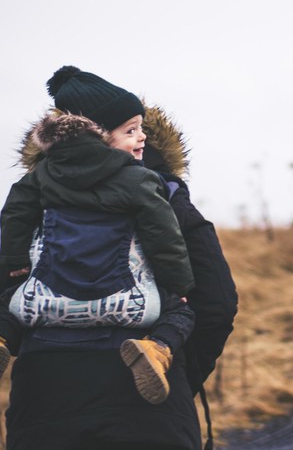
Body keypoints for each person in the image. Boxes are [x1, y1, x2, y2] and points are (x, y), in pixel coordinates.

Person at [0, 67, 238, 450]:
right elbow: (215, 300)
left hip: (46, 398)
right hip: (143, 406)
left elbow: (7, 280)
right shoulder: (166, 194)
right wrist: (174, 371)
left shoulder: (33, 191)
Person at [0, 66, 196, 405]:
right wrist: (177, 284)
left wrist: (14, 262)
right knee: (181, 312)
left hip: (43, 301)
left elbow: (15, 214)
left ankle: (2, 339)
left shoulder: (43, 174)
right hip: (128, 303)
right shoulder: (139, 179)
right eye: (132, 130)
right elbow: (163, 235)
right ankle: (156, 349)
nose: (143, 136)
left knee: (8, 304)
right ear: (100, 135)